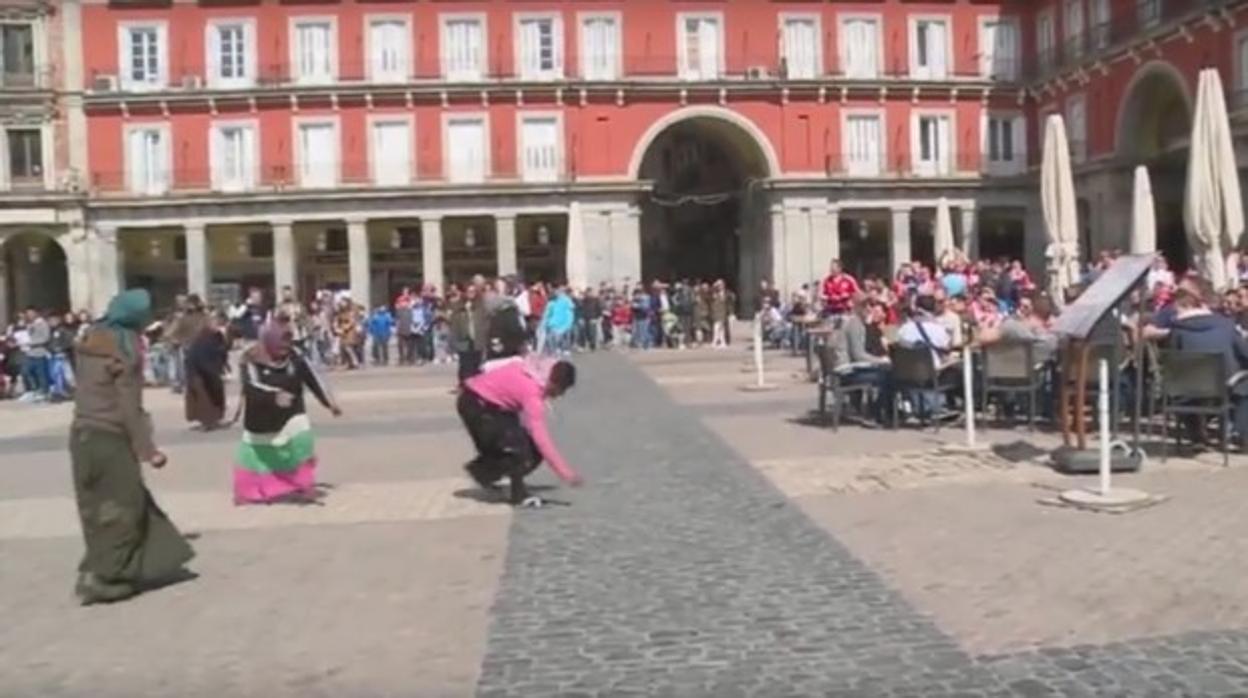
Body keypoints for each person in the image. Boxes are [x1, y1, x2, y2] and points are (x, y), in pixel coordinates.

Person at [70, 289, 195, 605]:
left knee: (95, 507)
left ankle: (97, 569)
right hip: (110, 437)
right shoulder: (124, 349)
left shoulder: (90, 340)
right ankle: (107, 578)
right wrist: (148, 450)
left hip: (81, 435)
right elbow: (128, 407)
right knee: (125, 510)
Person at [234, 323, 342, 505]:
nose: (285, 348)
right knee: (260, 455)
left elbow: (312, 377)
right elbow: (250, 387)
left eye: (287, 342)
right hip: (262, 417)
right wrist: (273, 396)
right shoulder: (251, 359)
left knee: (302, 443)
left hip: (292, 413)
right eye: (280, 343)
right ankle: (253, 490)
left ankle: (303, 484)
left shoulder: (295, 356)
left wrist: (328, 402)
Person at [458, 358, 582, 507]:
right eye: (561, 390)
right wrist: (565, 473)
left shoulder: (534, 369)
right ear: (554, 383)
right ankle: (517, 495)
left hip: (489, 406)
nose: (560, 395)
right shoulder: (532, 391)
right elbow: (541, 438)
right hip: (477, 406)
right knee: (517, 448)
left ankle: (485, 474)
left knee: (530, 448)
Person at [184, 313, 229, 431]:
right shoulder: (203, 338)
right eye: (215, 323)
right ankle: (207, 421)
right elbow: (201, 358)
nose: (218, 326)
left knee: (213, 394)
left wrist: (222, 367)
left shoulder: (218, 337)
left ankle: (214, 419)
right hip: (199, 371)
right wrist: (213, 373)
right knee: (203, 397)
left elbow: (222, 352)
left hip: (210, 369)